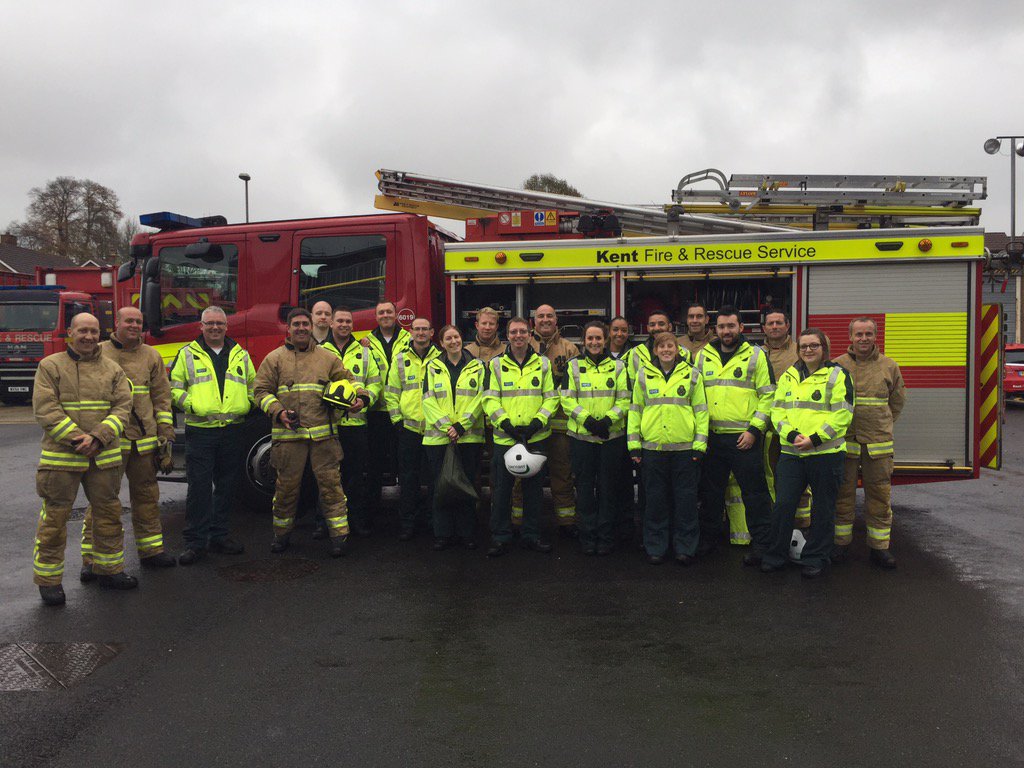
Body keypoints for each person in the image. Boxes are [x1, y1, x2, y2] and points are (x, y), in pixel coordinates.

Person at [31, 312, 134, 605]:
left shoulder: (112, 369)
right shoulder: (50, 366)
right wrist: (81, 439)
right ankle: (49, 581)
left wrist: (99, 437)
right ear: (70, 333)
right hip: (62, 459)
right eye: (83, 331)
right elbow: (46, 410)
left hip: (103, 457)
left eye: (94, 331)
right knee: (54, 520)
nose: (88, 336)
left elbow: (123, 408)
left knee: (109, 516)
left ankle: (109, 570)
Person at [81, 307, 177, 583]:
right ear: (117, 324)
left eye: (139, 321)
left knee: (147, 497)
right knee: (102, 501)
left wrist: (165, 432)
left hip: (144, 440)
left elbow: (162, 396)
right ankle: (91, 559)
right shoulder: (98, 352)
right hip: (109, 440)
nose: (135, 325)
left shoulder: (151, 355)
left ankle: (151, 551)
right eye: (130, 321)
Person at [254, 308, 352, 556]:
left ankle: (339, 537)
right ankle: (281, 535)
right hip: (288, 439)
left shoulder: (327, 357)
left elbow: (350, 381)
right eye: (296, 324)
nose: (300, 328)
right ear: (288, 328)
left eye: (304, 324)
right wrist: (278, 412)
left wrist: (359, 396)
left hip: (323, 438)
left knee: (331, 487)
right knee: (286, 489)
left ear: (311, 327)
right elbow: (260, 392)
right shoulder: (274, 358)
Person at [761, 328, 853, 578]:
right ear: (798, 349)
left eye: (814, 345)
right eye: (804, 346)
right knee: (783, 506)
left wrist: (814, 439)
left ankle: (815, 557)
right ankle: (775, 555)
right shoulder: (789, 375)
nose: (809, 350)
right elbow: (777, 410)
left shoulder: (838, 375)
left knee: (823, 509)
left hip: (825, 454)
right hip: (792, 454)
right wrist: (791, 436)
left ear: (824, 348)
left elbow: (843, 414)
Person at [170, 306, 255, 565]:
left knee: (227, 487)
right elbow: (173, 388)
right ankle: (195, 543)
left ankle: (219, 536)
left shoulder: (241, 354)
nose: (215, 327)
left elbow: (253, 384)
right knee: (199, 488)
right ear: (201, 326)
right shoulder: (186, 354)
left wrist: (248, 405)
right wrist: (192, 405)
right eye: (210, 323)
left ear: (227, 327)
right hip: (201, 431)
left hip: (232, 430)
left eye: (220, 323)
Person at [694, 306, 775, 563]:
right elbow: (693, 396)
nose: (726, 331)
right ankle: (709, 541)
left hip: (744, 439)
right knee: (710, 494)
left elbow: (768, 396)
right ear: (714, 329)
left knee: (755, 494)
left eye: (731, 326)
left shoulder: (755, 355)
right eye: (721, 327)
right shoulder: (702, 355)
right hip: (712, 438)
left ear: (741, 327)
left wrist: (754, 430)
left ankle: (763, 545)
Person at [628, 332, 709, 565]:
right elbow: (635, 411)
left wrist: (699, 447)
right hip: (652, 449)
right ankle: (656, 546)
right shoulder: (644, 375)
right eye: (661, 346)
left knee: (686, 501)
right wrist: (634, 446)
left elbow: (701, 412)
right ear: (655, 350)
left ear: (678, 349)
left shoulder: (692, 375)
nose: (666, 350)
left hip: (685, 450)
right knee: (655, 501)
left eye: (670, 346)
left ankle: (685, 547)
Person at [833, 317, 907, 569]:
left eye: (868, 334)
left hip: (878, 445)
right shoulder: (837, 365)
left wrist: (881, 423)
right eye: (858, 334)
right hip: (846, 442)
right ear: (850, 337)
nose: (863, 338)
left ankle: (879, 548)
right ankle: (840, 544)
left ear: (875, 336)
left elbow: (896, 402)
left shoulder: (889, 366)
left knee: (879, 497)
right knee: (842, 495)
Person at [483, 317, 559, 557]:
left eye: (523, 331)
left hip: (535, 437)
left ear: (530, 335)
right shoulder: (495, 365)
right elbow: (489, 398)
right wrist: (505, 423)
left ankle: (531, 535)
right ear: (508, 335)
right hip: (505, 438)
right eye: (514, 332)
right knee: (502, 491)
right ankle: (500, 537)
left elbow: (552, 397)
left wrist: (538, 422)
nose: (518, 335)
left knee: (534, 493)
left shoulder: (543, 364)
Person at [563, 321, 630, 555]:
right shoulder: (573, 367)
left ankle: (605, 537)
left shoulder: (620, 367)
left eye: (598, 338)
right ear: (584, 341)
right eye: (590, 338)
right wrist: (589, 422)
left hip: (611, 439)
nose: (594, 342)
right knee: (584, 490)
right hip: (582, 439)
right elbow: (567, 400)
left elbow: (625, 400)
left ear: (606, 340)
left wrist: (607, 421)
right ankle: (588, 536)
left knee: (607, 490)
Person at [421, 324, 485, 550]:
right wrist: (447, 427)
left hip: (468, 439)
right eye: (448, 338)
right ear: (441, 342)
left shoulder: (478, 367)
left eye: (456, 337)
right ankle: (443, 534)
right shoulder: (433, 367)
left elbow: (481, 399)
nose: (453, 341)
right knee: (441, 487)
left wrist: (462, 426)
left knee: (466, 486)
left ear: (462, 338)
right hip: (439, 439)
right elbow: (427, 400)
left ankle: (467, 533)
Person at [321, 307, 381, 538]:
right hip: (328, 425)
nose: (344, 324)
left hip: (356, 426)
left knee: (356, 477)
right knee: (327, 477)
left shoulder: (365, 352)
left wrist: (365, 400)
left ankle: (356, 520)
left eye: (348, 321)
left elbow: (376, 383)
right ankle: (323, 523)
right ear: (331, 324)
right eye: (340, 321)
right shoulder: (320, 352)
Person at [521, 304, 578, 537]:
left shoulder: (570, 349)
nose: (545, 319)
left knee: (562, 474)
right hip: (531, 424)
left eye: (549, 316)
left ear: (556, 320)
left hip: (560, 425)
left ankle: (567, 523)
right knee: (522, 474)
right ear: (533, 321)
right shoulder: (524, 345)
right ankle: (519, 523)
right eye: (540, 316)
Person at [385, 316, 441, 540]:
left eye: (424, 329)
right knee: (408, 479)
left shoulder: (441, 358)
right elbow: (391, 393)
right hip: (408, 430)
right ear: (411, 332)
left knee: (435, 481)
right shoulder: (400, 359)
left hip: (434, 431)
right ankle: (408, 523)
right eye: (416, 329)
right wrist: (397, 421)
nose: (420, 333)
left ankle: (433, 522)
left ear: (431, 332)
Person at [362, 301, 411, 524]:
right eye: (381, 312)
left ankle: (405, 514)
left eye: (389, 312)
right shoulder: (365, 342)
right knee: (375, 463)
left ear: (396, 314)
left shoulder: (409, 338)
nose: (385, 315)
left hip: (402, 410)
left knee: (404, 463)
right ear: (376, 316)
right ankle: (372, 512)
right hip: (377, 411)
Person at [761, 309, 810, 528]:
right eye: (770, 323)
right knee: (768, 477)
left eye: (779, 322)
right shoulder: (756, 353)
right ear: (764, 328)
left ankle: (800, 525)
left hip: (794, 429)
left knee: (797, 479)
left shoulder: (800, 352)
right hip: (766, 428)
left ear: (788, 326)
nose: (774, 327)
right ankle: (775, 522)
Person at [628, 310, 687, 383]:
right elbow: (631, 385)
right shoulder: (636, 353)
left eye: (661, 324)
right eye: (652, 325)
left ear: (670, 327)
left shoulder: (684, 353)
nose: (656, 328)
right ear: (648, 328)